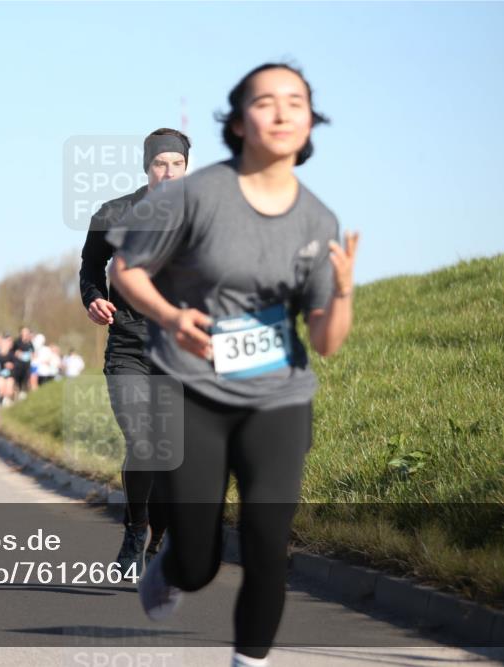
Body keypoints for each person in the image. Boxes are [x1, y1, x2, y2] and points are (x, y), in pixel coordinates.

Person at [108, 64, 358, 667]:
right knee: (198, 562)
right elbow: (126, 271)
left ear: (309, 121)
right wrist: (170, 318)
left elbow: (324, 341)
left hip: (278, 397)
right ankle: (171, 562)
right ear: (239, 120)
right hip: (195, 390)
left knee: (269, 546)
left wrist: (344, 291)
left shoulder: (318, 219)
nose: (280, 112)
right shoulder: (195, 197)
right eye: (265, 102)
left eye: (294, 102)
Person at [80, 128, 191, 576]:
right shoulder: (115, 212)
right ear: (147, 167)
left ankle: (160, 535)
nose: (168, 172)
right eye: (160, 163)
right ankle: (135, 528)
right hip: (128, 343)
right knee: (143, 443)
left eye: (177, 164)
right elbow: (91, 264)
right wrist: (93, 297)